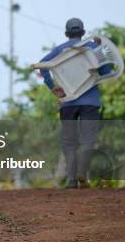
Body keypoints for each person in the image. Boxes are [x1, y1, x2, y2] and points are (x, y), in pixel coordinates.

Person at [39, 18, 111, 189]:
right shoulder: (93, 48)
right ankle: (82, 173)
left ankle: (72, 181)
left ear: (66, 33)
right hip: (91, 102)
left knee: (69, 141)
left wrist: (53, 87)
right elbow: (106, 70)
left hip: (68, 103)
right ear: (83, 33)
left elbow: (42, 66)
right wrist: (101, 47)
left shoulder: (59, 50)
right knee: (88, 138)